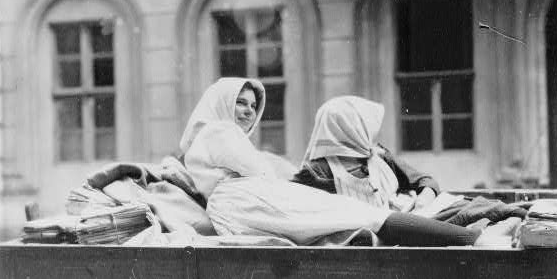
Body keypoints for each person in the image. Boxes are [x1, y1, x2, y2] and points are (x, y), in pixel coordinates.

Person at [180, 78, 505, 247]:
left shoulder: (212, 136)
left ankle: (471, 238)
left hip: (240, 204)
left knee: (357, 218)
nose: (249, 111)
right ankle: (473, 241)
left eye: (252, 105)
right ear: (222, 104)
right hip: (243, 200)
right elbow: (259, 170)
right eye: (240, 103)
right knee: (362, 215)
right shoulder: (220, 132)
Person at [293, 95, 526, 229]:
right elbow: (289, 201)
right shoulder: (317, 172)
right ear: (349, 128)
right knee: (470, 217)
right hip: (386, 231)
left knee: (477, 206)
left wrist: (424, 199)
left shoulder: (377, 155)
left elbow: (425, 181)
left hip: (415, 215)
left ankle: (531, 215)